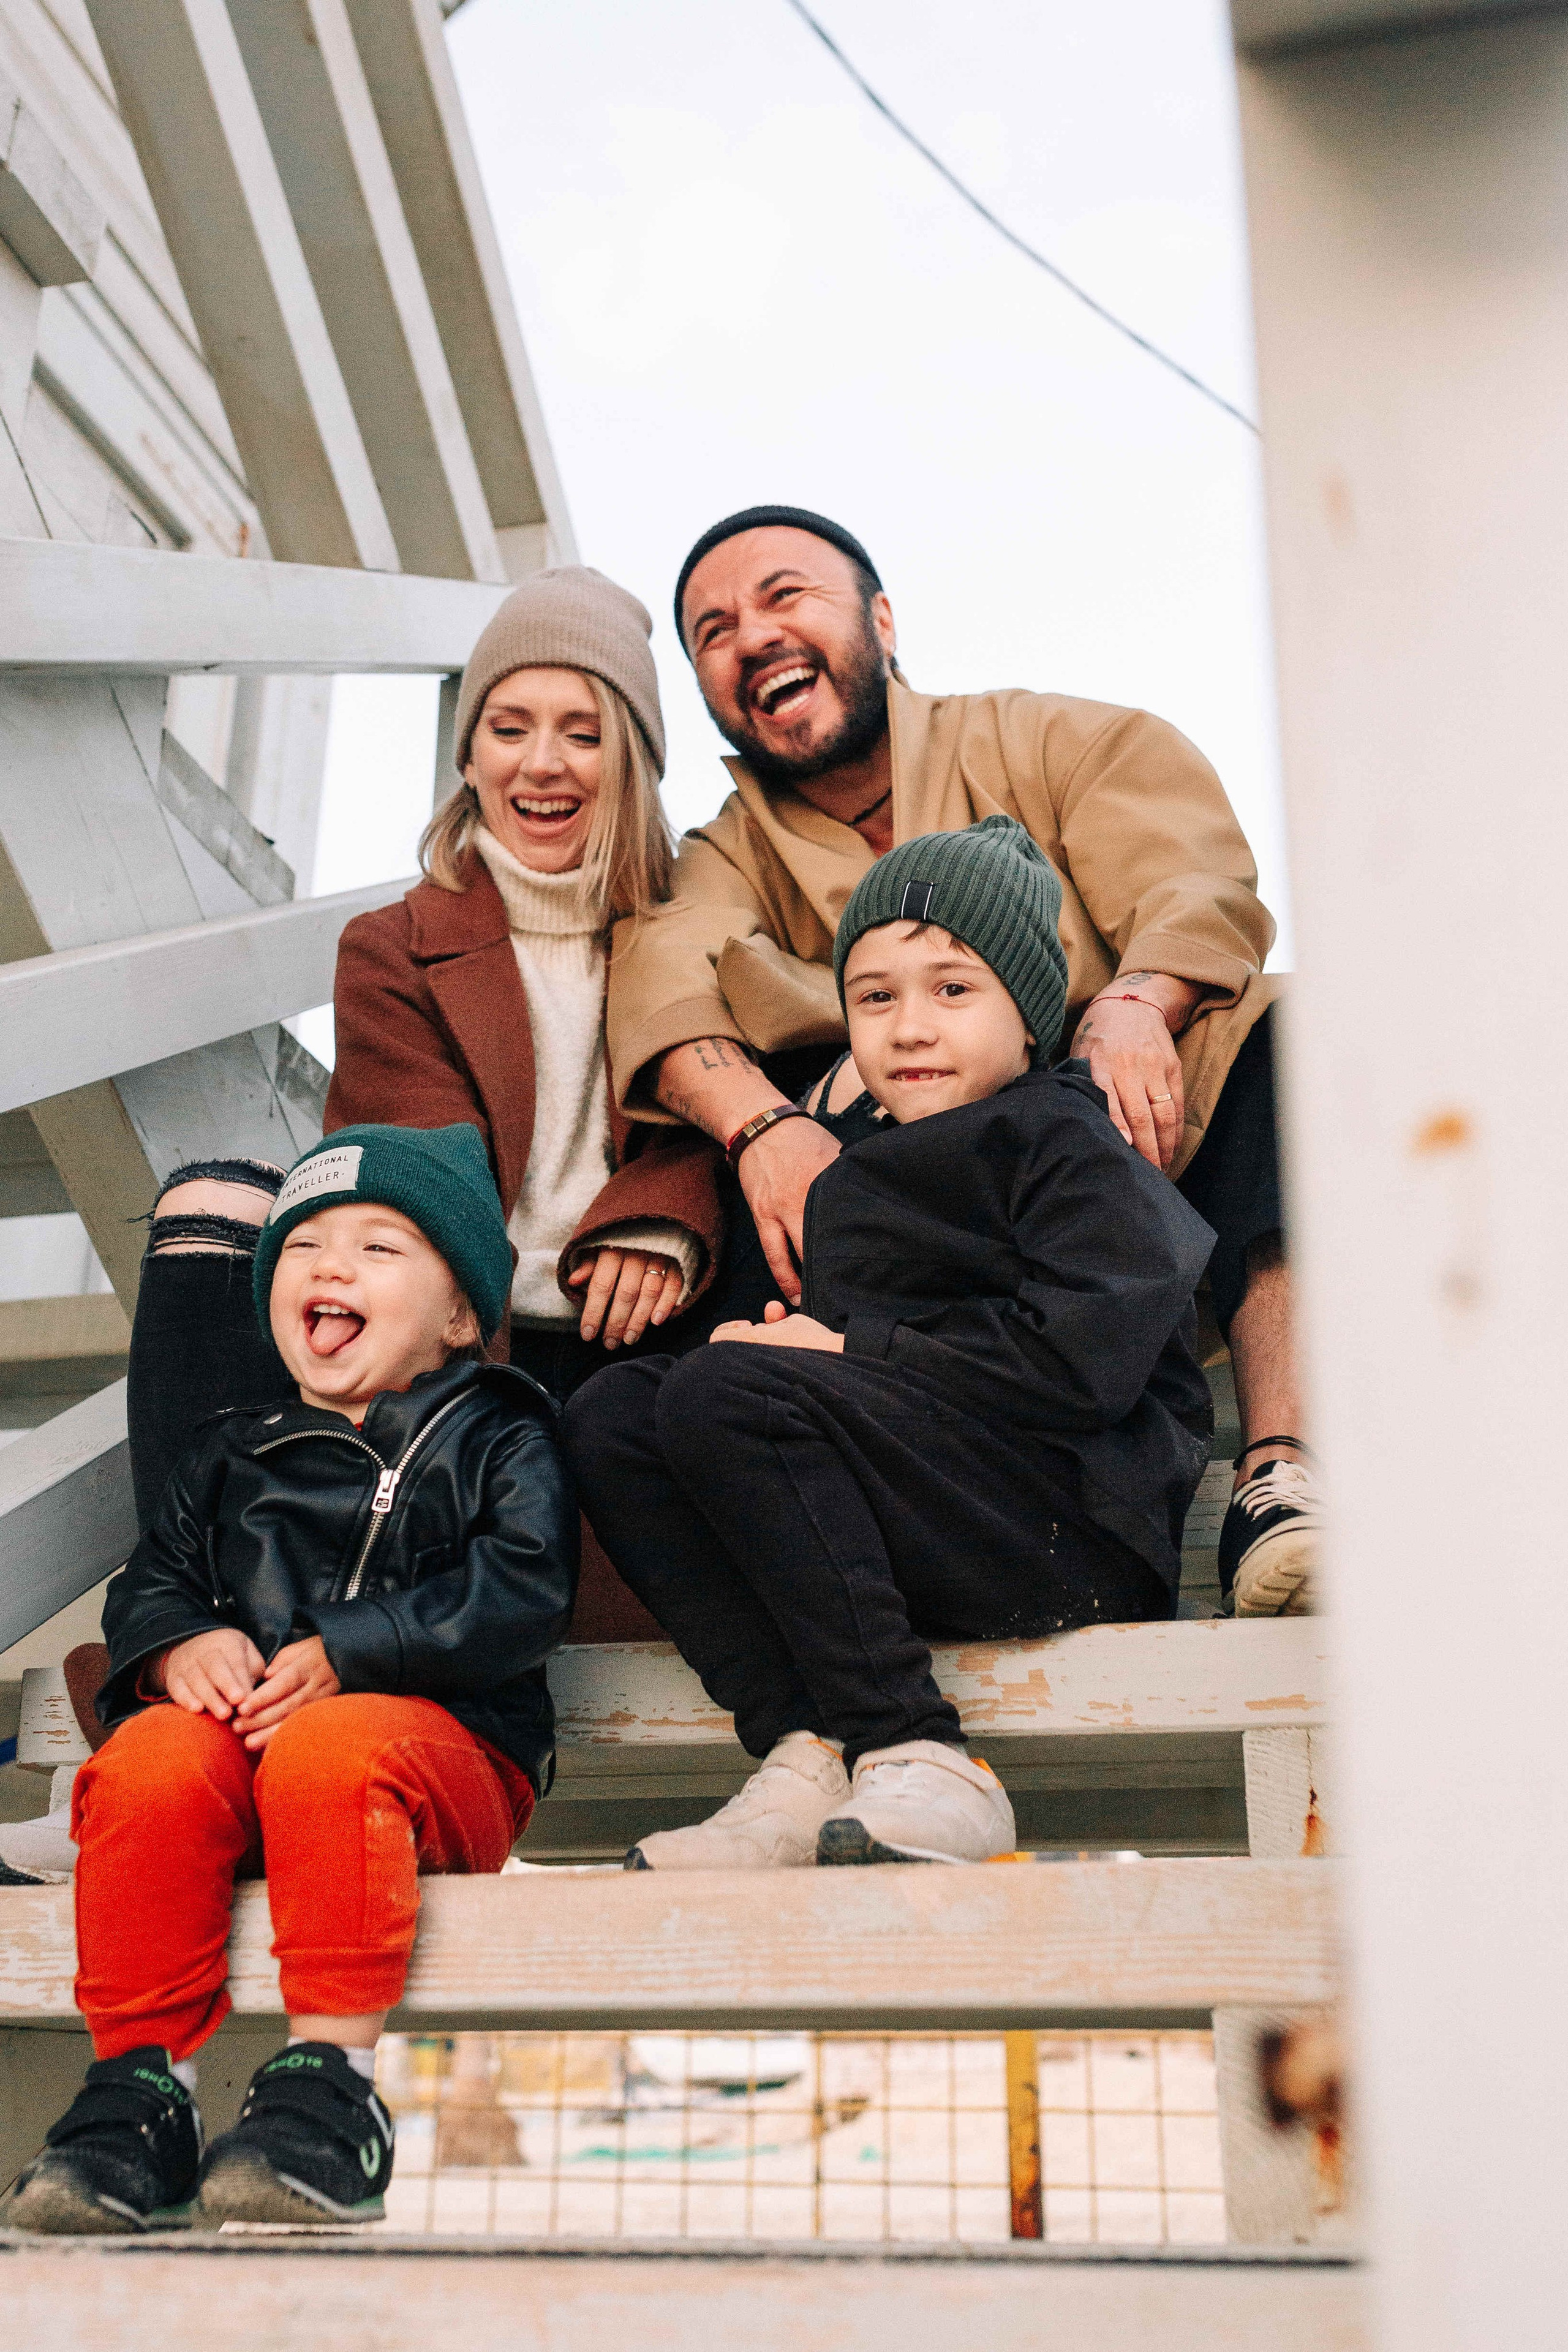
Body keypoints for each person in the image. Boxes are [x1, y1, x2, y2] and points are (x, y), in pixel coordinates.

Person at [605, 507, 1313, 1618]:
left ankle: (1280, 1469)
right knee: (756, 1130)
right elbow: (659, 980)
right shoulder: (724, 855)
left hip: (1120, 1131)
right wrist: (762, 1126)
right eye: (712, 630)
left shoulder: (1054, 740)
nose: (752, 636)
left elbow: (1194, 880)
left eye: (785, 596)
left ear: (881, 619)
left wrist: (1135, 999)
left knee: (1280, 1032)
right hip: (918, 1208)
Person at [567, 818, 1215, 1869]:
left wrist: (844, 1357)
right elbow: (859, 1376)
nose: (910, 1025)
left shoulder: (1066, 1138)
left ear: (1029, 1013)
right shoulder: (862, 1173)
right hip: (931, 1515)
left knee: (736, 1391)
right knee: (618, 1414)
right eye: (875, 996)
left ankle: (914, 1744)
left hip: (1071, 1522)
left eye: (953, 990)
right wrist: (811, 1357)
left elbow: (1086, 1359)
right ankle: (803, 1748)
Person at [1, 1125, 576, 2236]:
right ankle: (136, 2093)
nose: (330, 1266)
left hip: (439, 1762)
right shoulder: (231, 1447)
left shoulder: (501, 1436)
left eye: (378, 1248)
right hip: (245, 1764)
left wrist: (356, 1648)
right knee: (150, 1755)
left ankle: (330, 2094)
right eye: (304, 1246)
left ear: (460, 1317)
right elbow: (153, 1582)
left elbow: (522, 1588)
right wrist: (175, 1649)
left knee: (333, 1743)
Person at [127, 565, 723, 1547]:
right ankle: (194, 1598)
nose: (543, 764)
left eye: (584, 732)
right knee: (217, 1210)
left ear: (632, 761)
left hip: (635, 1339)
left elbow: (728, 1102)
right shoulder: (392, 946)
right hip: (465, 1341)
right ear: (472, 755)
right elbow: (419, 1184)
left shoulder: (691, 926)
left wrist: (668, 1214)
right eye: (510, 727)